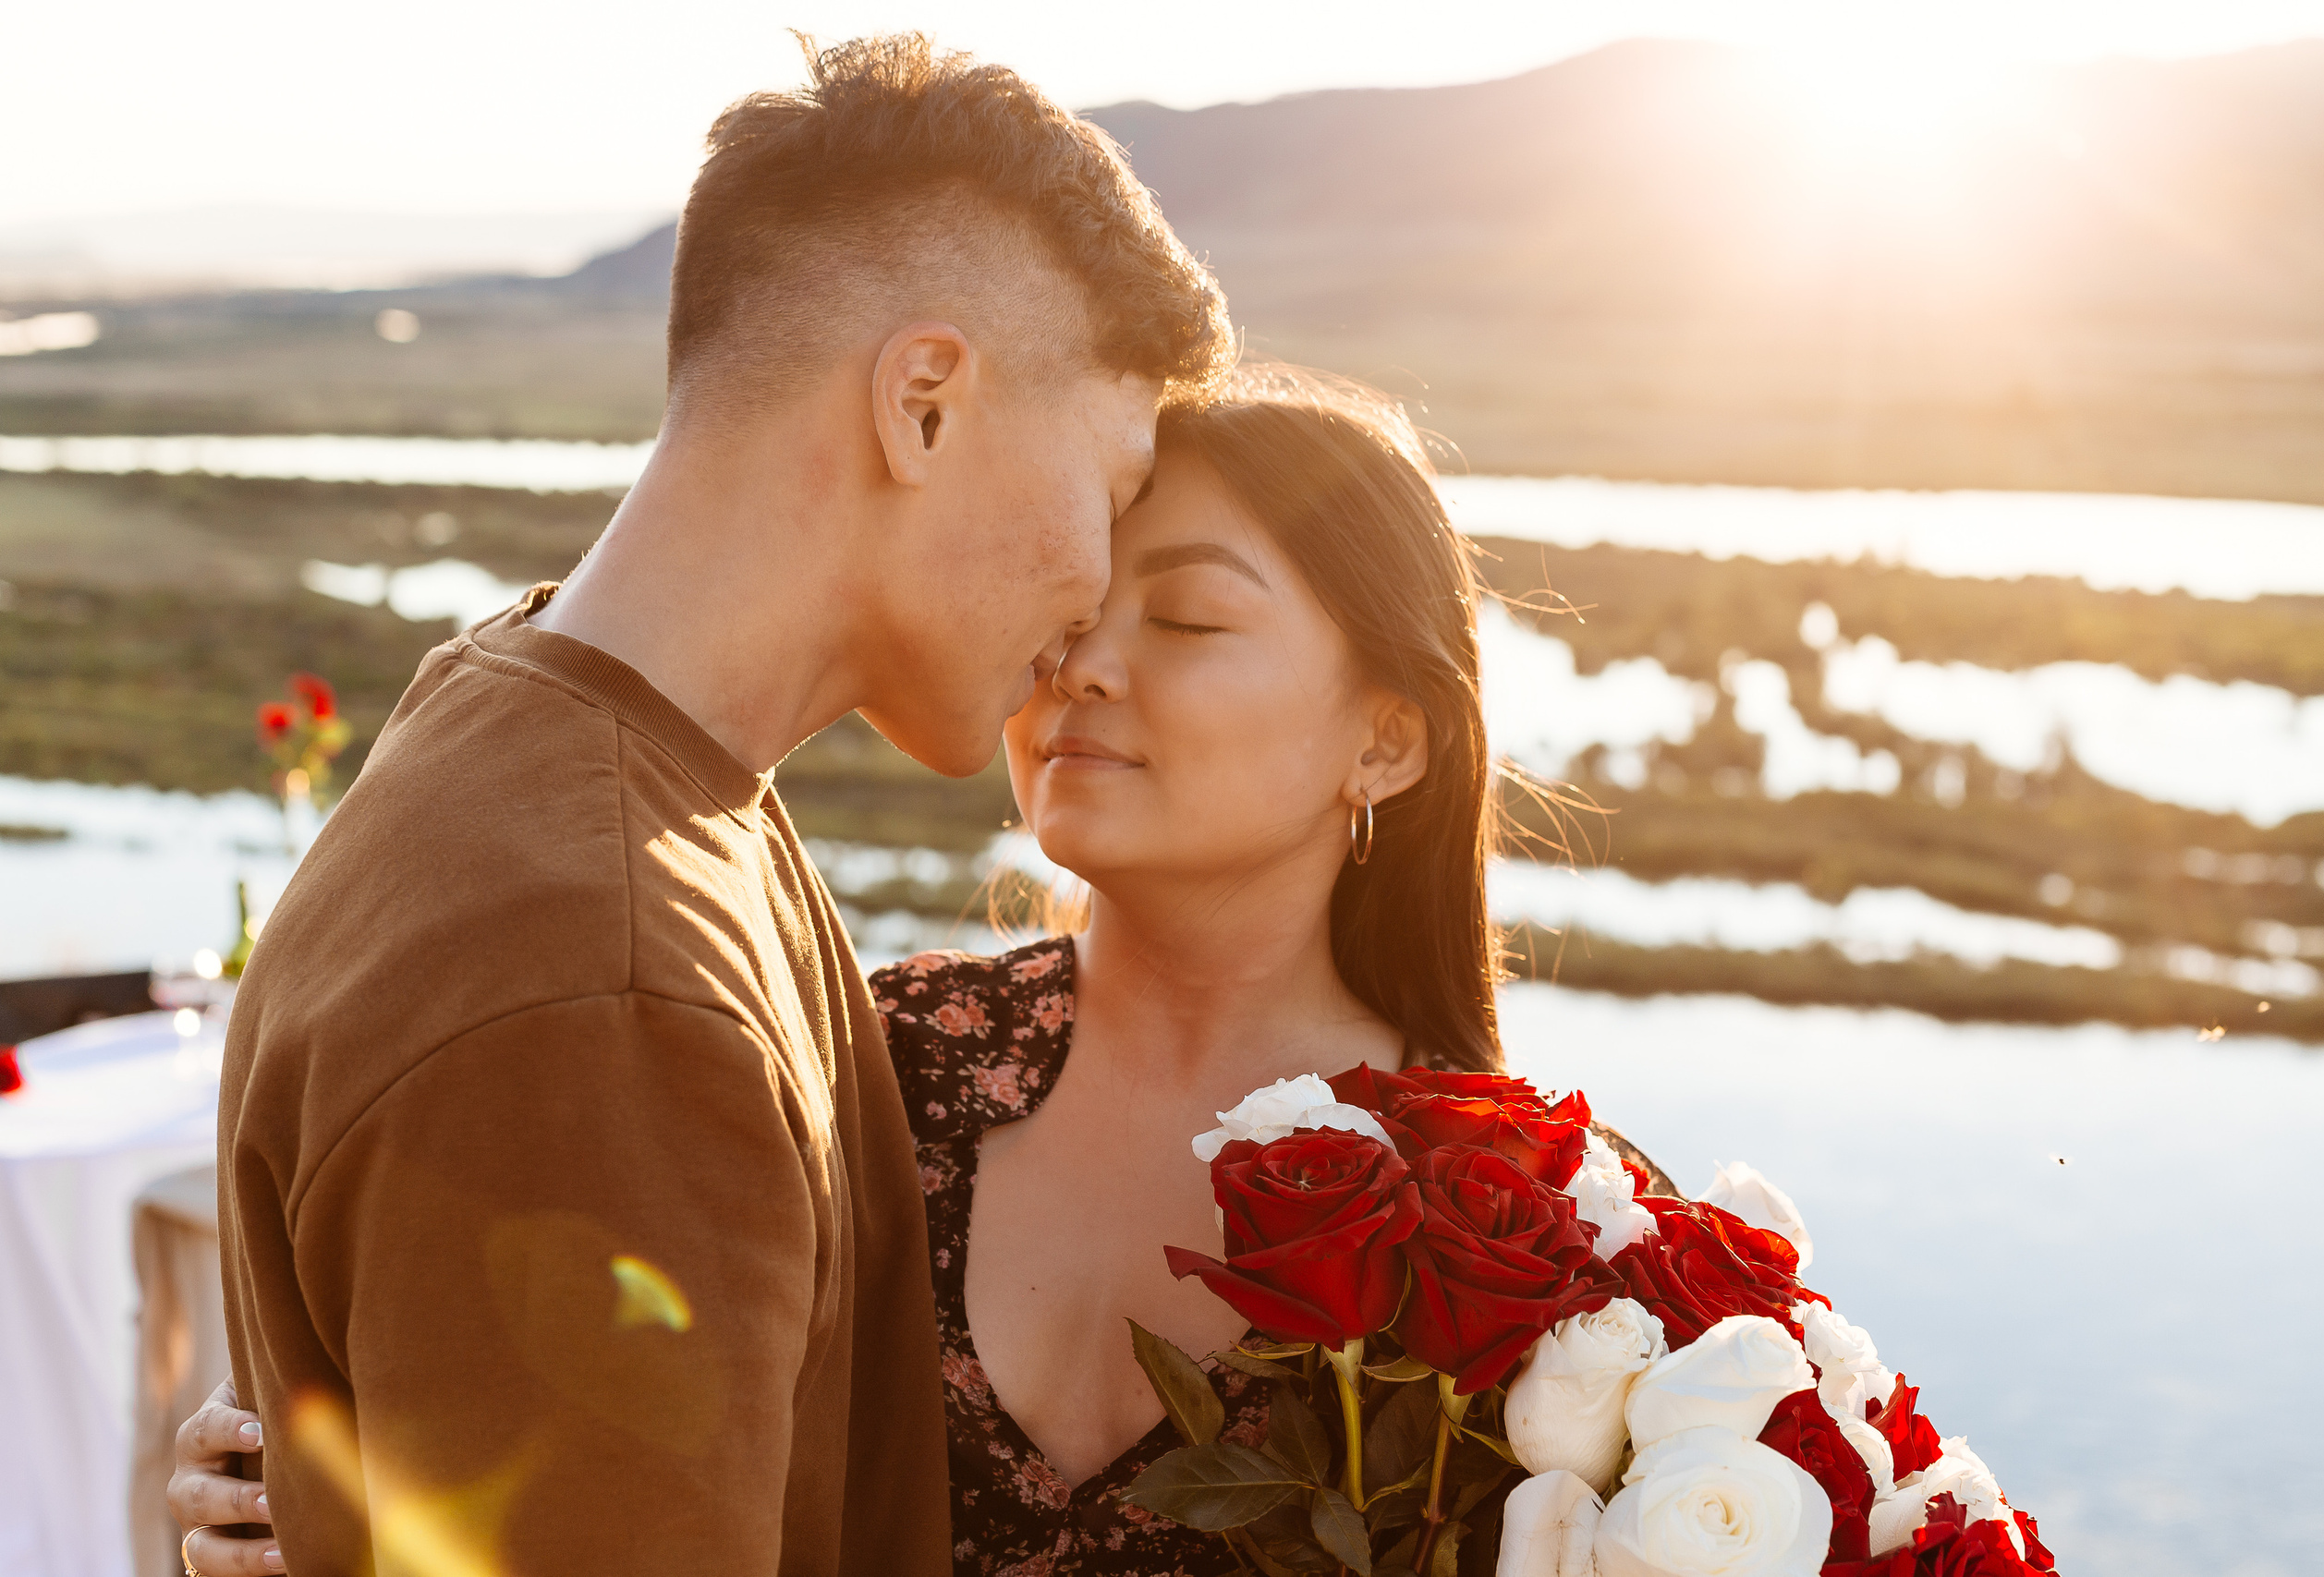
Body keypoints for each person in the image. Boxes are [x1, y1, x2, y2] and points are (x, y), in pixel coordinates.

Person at [179, 367, 1674, 1575]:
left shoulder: (1542, 1236)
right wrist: (295, 1504)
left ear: (1389, 739)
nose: (1083, 666)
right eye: (1071, 612)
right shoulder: (863, 1066)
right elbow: (555, 1445)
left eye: (1189, 617)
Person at [174, 31, 1230, 1577]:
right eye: (1115, 492)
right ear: (924, 405)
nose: (1094, 601)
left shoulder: (566, 743)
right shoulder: (596, 982)